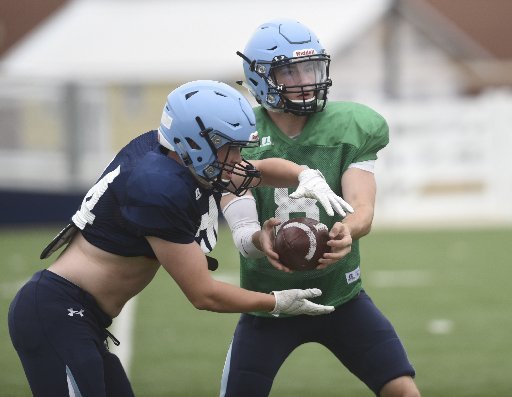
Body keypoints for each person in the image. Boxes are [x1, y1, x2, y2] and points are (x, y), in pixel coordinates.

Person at [7, 80, 353, 397]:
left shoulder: (179, 158)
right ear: (194, 141)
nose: (237, 160)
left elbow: (254, 171)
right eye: (228, 148)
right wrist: (276, 302)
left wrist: (303, 174)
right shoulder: (157, 185)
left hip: (81, 316)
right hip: (57, 312)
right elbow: (203, 294)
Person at [219, 20, 421, 397]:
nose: (304, 79)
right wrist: (258, 240)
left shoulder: (350, 126)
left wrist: (349, 229)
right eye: (289, 71)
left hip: (341, 297)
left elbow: (362, 206)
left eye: (310, 67)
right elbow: (240, 222)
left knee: (402, 390)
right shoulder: (238, 132)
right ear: (261, 78)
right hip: (269, 303)